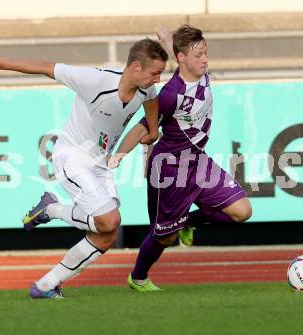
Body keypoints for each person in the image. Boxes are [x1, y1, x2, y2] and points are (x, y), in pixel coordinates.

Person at [0, 38, 168, 298]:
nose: (157, 79)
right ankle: (51, 209)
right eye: (155, 73)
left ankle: (45, 286)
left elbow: (152, 101)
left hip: (99, 164)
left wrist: (153, 129)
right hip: (72, 157)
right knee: (110, 220)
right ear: (135, 67)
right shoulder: (95, 80)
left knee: (107, 236)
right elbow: (45, 66)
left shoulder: (146, 89)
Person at [108, 25, 252, 292]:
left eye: (206, 53)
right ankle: (138, 278)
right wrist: (118, 156)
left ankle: (187, 221)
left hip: (198, 162)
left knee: (242, 212)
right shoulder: (170, 94)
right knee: (163, 237)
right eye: (199, 55)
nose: (205, 59)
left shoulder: (201, 72)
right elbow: (143, 127)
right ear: (183, 58)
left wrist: (167, 38)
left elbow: (180, 51)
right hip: (170, 169)